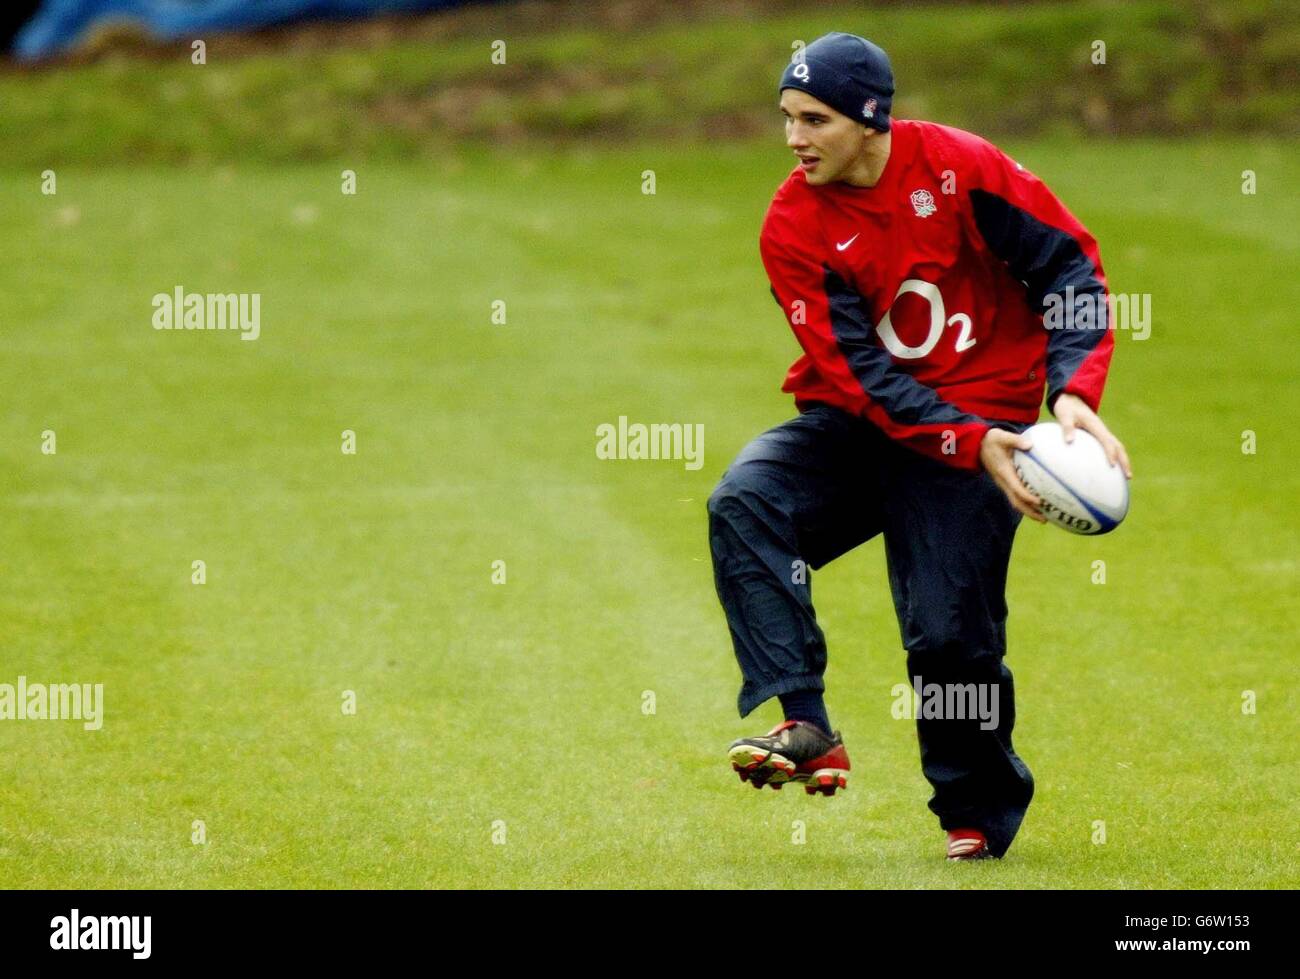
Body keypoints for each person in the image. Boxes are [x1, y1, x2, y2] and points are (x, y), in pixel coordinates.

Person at [708, 32, 1132, 861]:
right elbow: (861, 375)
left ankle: (977, 808)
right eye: (787, 118)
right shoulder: (792, 221)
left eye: (815, 120)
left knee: (947, 635)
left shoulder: (961, 168)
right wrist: (969, 440)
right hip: (863, 424)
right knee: (746, 499)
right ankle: (805, 721)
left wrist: (1074, 388)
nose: (794, 138)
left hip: (991, 428)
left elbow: (1069, 267)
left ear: (870, 120)